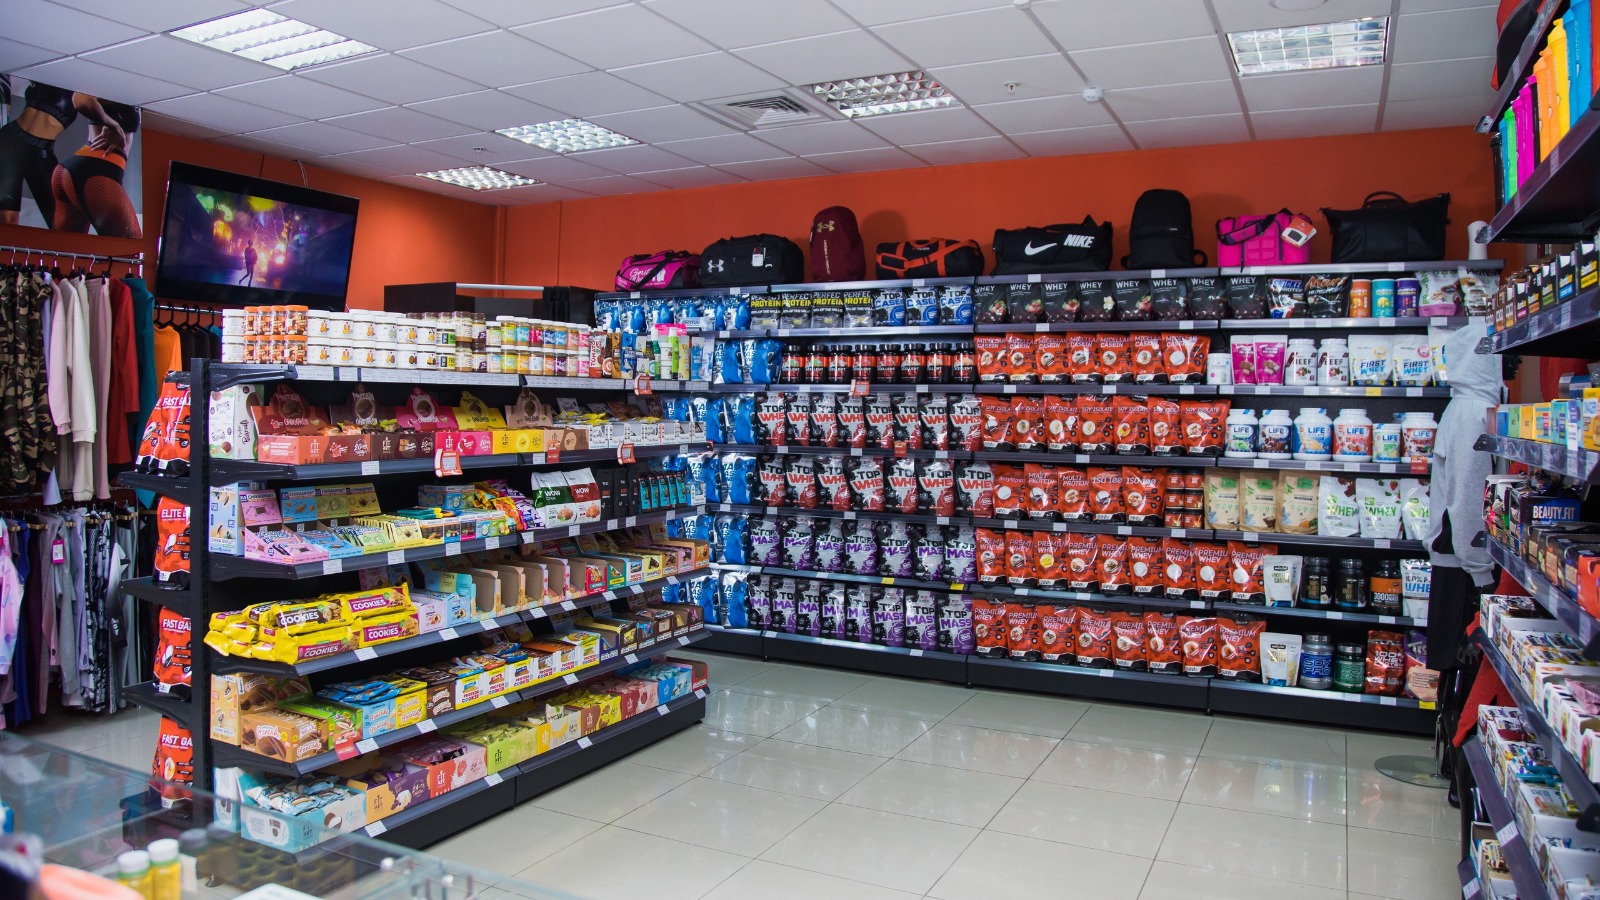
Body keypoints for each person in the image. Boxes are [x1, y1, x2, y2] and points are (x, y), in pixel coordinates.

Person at [49, 99, 141, 238]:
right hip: (96, 173)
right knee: (131, 247)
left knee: (66, 248)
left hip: (72, 169)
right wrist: (111, 123)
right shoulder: (112, 89)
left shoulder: (131, 96)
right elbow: (80, 99)